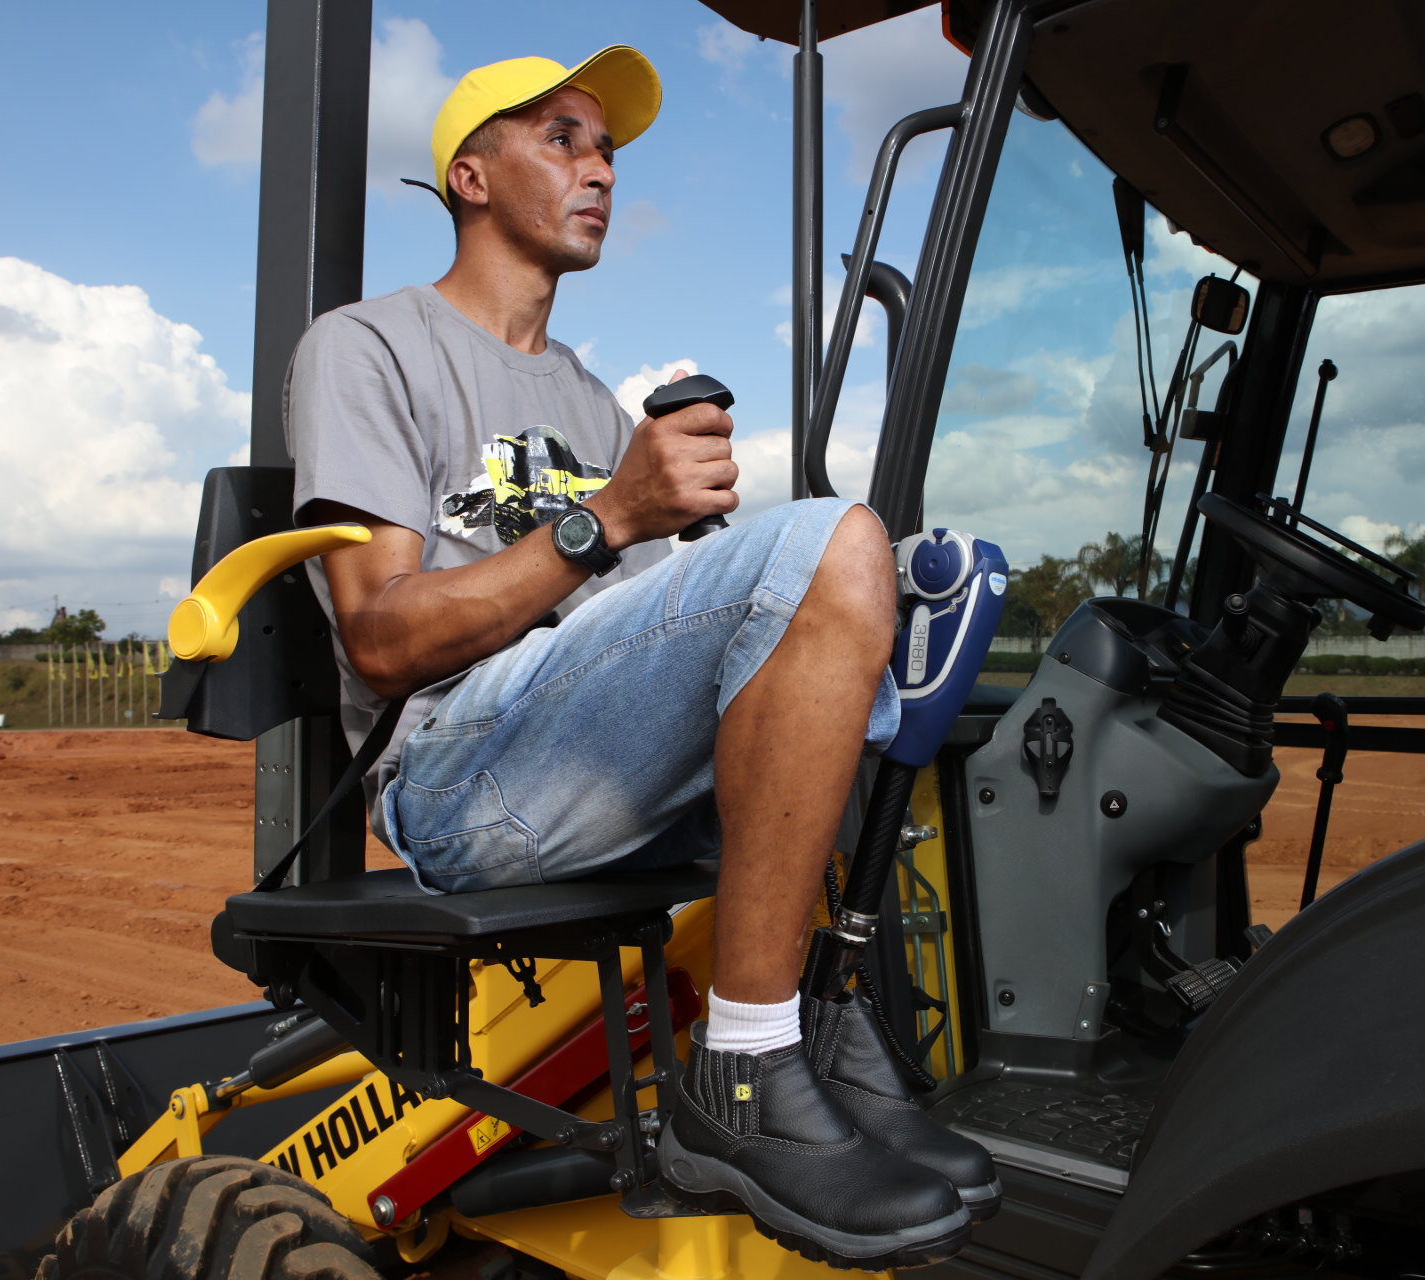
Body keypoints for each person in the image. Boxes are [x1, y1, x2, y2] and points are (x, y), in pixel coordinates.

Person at [284, 46, 994, 1268]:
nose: (600, 168)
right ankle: (747, 1062)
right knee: (835, 541)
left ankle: (827, 1017)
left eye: (607, 147)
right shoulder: (366, 348)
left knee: (875, 582)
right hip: (458, 771)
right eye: (560, 138)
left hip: (583, 750)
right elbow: (382, 636)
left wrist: (739, 555)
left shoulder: (595, 399)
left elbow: (689, 616)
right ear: (468, 173)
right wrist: (607, 514)